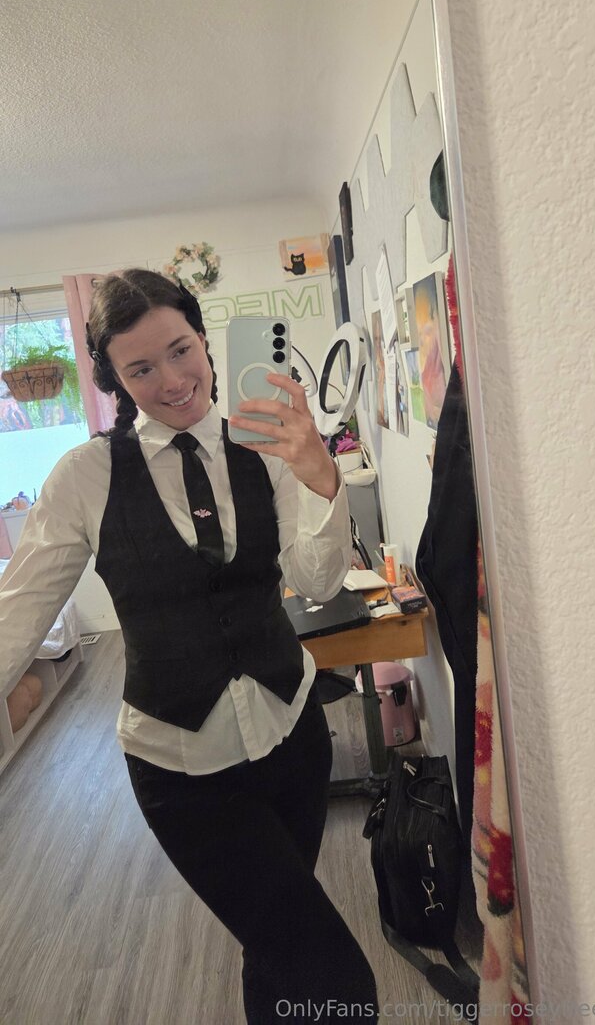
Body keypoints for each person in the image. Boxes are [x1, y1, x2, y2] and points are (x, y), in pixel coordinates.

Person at [0, 269, 379, 1024]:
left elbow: (316, 578)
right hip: (182, 770)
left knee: (273, 944)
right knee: (330, 972)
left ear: (205, 340)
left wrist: (321, 478)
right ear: (113, 378)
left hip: (292, 735)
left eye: (180, 350)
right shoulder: (84, 478)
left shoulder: (264, 446)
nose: (173, 381)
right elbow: (19, 614)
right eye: (141, 367)